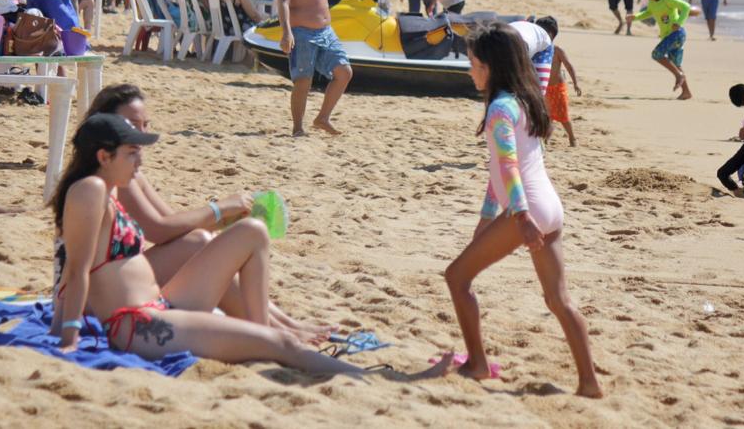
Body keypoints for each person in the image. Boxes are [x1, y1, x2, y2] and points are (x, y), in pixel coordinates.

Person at [50, 113, 450, 378]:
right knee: (282, 343)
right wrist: (67, 338)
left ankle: (260, 333)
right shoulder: (89, 191)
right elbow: (76, 270)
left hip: (163, 304)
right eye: (132, 153)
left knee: (253, 231)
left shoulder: (106, 189)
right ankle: (384, 379)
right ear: (103, 156)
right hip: (137, 325)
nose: (139, 162)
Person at [80, 84, 335, 344]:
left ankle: (283, 324)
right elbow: (157, 229)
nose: (141, 133)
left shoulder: (128, 170)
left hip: (119, 282)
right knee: (198, 243)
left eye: (145, 124)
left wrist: (223, 221)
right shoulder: (108, 176)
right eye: (133, 124)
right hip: (100, 296)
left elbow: (173, 225)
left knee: (201, 241)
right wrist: (218, 209)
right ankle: (271, 329)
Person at [444, 23, 602, 398]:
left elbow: (510, 168)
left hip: (527, 209)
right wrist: (485, 219)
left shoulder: (500, 109)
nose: (470, 71)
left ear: (491, 66)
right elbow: (500, 169)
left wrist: (520, 217)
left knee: (456, 278)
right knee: (559, 300)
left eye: (474, 64)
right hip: (549, 206)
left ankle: (478, 364)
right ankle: (589, 383)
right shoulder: (526, 99)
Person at [277, 0, 353, 136]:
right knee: (303, 81)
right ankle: (298, 127)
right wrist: (286, 33)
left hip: (326, 32)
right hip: (302, 33)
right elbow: (283, 1)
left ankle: (322, 118)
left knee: (344, 72)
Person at [627, 0, 692, 100]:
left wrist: (678, 22)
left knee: (657, 54)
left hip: (677, 34)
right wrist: (634, 17)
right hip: (669, 36)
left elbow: (686, 7)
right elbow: (648, 13)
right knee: (676, 64)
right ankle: (686, 92)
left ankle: (678, 75)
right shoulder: (652, 2)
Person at [534, 17, 582, 147]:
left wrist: (575, 83)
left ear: (550, 34)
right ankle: (546, 139)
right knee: (548, 115)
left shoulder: (557, 50)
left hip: (558, 87)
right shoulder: (537, 51)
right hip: (544, 88)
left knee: (563, 114)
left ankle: (572, 138)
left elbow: (568, 66)